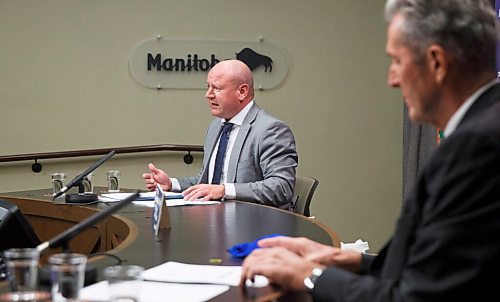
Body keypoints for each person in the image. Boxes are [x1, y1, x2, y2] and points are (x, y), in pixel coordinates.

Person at [240, 0, 500, 300]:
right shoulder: (484, 125)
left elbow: (418, 297)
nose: (392, 79)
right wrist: (351, 262)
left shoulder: (475, 148)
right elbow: (445, 266)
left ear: (437, 63)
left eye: (397, 61)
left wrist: (310, 277)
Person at [142, 59, 298, 210]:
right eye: (208, 87)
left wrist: (224, 190)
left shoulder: (270, 130)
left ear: (242, 91)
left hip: (255, 224)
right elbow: (208, 181)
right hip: (216, 218)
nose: (208, 95)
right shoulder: (217, 125)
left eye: (216, 88)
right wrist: (171, 184)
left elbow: (281, 187)